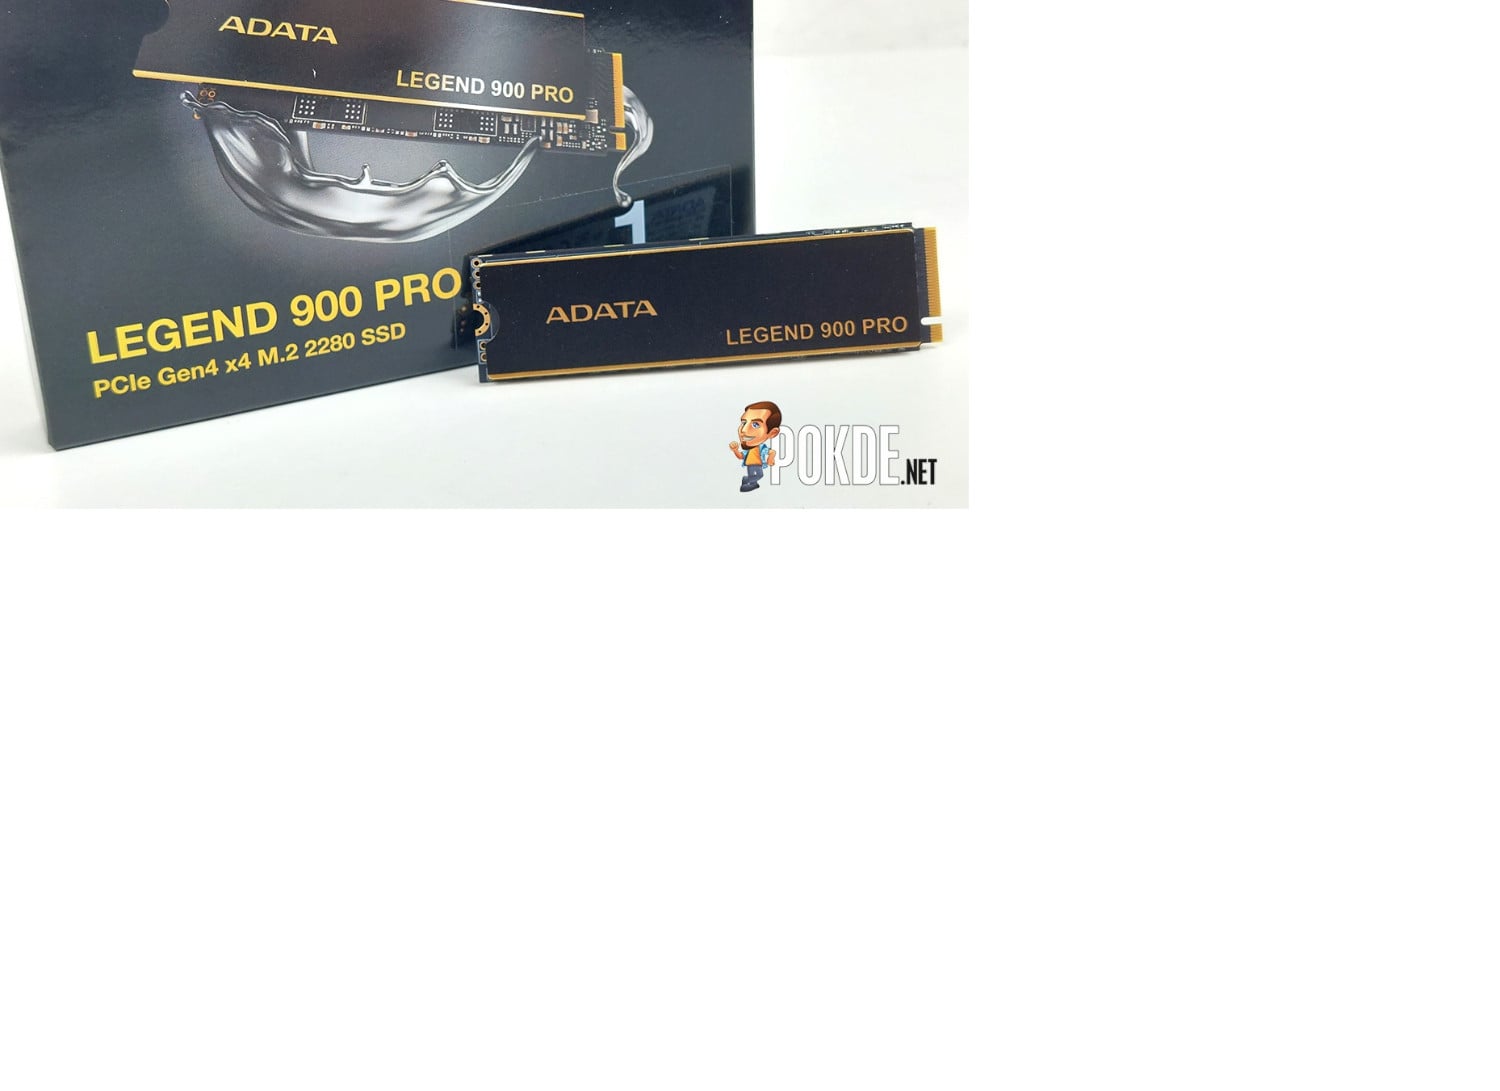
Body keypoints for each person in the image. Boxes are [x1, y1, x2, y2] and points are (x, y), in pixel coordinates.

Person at [729, 401, 781, 492]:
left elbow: (772, 452)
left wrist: (770, 459)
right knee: (756, 476)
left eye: (755, 425)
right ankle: (752, 484)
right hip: (750, 465)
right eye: (743, 423)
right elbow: (740, 456)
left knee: (760, 475)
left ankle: (747, 480)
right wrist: (735, 450)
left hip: (758, 464)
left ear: (772, 433)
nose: (743, 430)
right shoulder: (747, 449)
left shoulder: (761, 448)